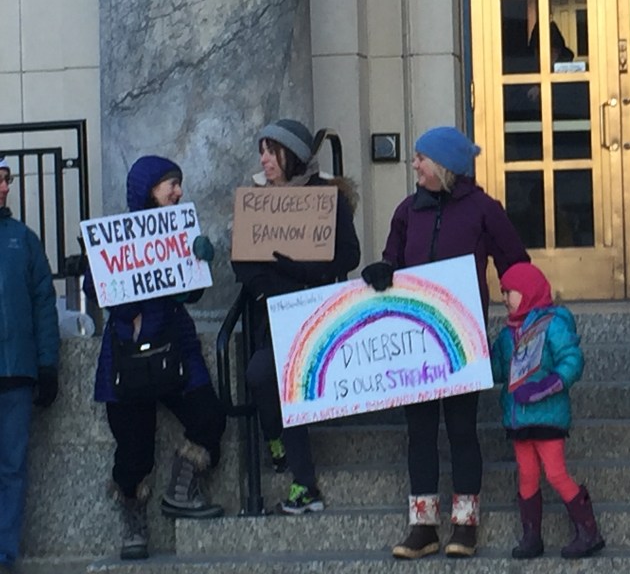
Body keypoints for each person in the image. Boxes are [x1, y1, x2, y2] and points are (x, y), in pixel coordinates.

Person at [361, 126, 529, 559]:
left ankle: (465, 523)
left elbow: (516, 262)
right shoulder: (406, 211)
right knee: (419, 431)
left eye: (421, 159)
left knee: (460, 430)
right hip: (415, 338)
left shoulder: (483, 210)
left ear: (444, 167)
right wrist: (381, 271)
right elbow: (392, 258)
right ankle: (423, 525)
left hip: (461, 336)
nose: (413, 165)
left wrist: (524, 304)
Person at [89, 155, 225, 560]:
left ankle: (180, 492)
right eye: (171, 184)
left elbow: (191, 291)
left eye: (178, 184)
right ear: (150, 190)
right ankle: (133, 514)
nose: (178, 191)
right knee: (134, 454)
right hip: (127, 359)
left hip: (175, 348)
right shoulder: (117, 237)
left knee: (210, 419)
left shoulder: (180, 232)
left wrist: (199, 259)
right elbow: (97, 288)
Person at [233, 119, 361, 515]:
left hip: (313, 310)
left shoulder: (326, 198)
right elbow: (242, 258)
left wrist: (304, 271)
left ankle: (304, 484)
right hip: (273, 310)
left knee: (280, 378)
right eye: (262, 151)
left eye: (272, 151)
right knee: (261, 375)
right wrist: (265, 287)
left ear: (293, 155)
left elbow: (348, 255)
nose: (264, 159)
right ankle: (276, 440)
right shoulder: (257, 199)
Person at [490, 262, 604, 560]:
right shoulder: (506, 335)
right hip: (518, 417)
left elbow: (571, 359)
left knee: (555, 472)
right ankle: (531, 536)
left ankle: (588, 530)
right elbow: (498, 370)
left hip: (548, 415)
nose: (504, 297)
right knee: (527, 474)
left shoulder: (553, 323)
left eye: (509, 291)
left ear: (526, 291)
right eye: (502, 292)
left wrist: (553, 383)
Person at [0, 157, 59, 574]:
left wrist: (48, 364)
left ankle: (4, 554)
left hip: (17, 373)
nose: (3, 188)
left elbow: (44, 303)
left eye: (5, 179)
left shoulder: (24, 238)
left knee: (12, 468)